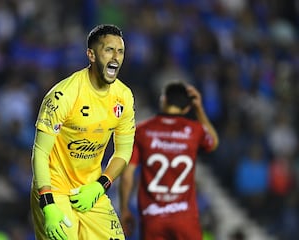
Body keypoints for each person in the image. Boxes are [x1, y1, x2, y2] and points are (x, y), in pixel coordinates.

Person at [30, 24, 136, 240]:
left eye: (120, 51)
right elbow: (40, 153)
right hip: (55, 189)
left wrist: (100, 186)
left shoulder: (124, 97)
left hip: (90, 190)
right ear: (91, 54)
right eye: (109, 50)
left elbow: (123, 152)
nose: (116, 57)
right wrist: (47, 203)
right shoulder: (63, 96)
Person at [119, 82, 219, 240]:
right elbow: (213, 142)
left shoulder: (142, 131)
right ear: (187, 108)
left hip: (153, 217)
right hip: (185, 217)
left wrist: (124, 208)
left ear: (163, 100)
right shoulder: (194, 130)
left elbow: (127, 175)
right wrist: (199, 109)